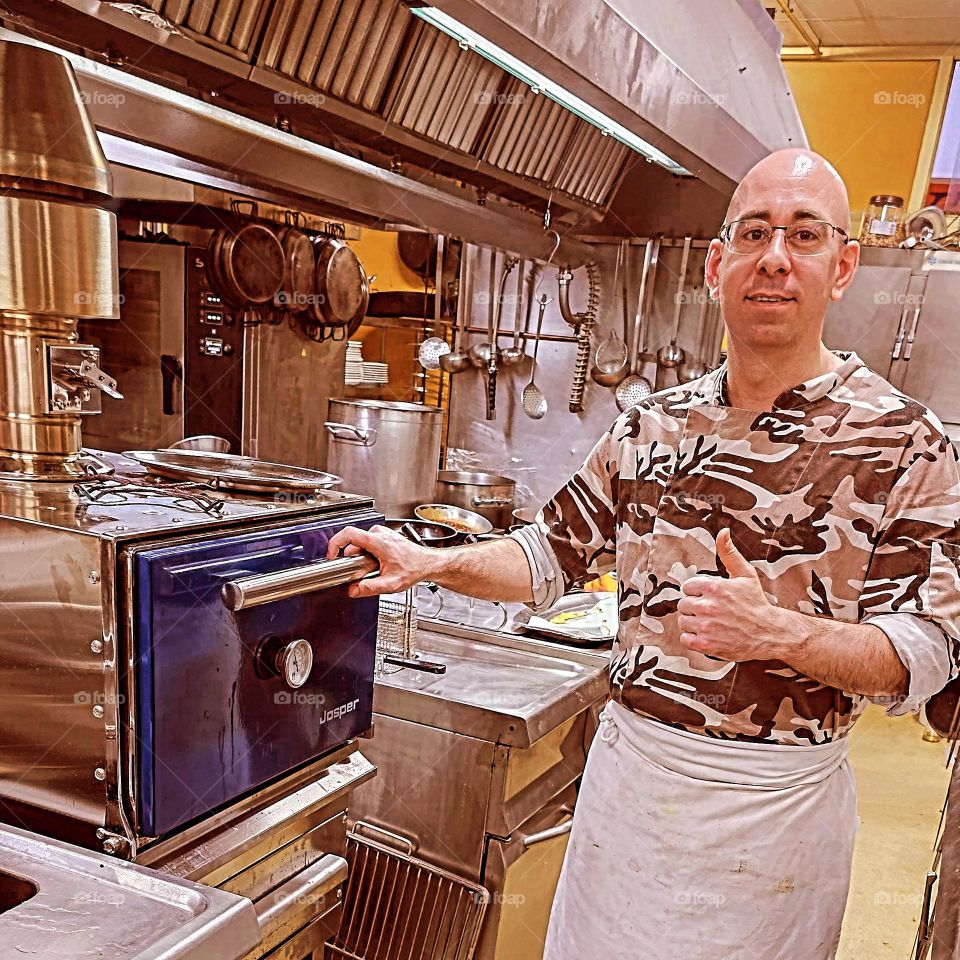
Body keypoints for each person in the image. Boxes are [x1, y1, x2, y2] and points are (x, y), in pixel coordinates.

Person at [327, 149, 960, 959]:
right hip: (634, 790)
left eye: (804, 236)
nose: (774, 257)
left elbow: (925, 655)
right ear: (714, 264)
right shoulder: (649, 426)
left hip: (774, 817)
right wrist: (427, 561)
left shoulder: (905, 441)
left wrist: (778, 636)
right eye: (755, 232)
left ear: (843, 267)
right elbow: (545, 555)